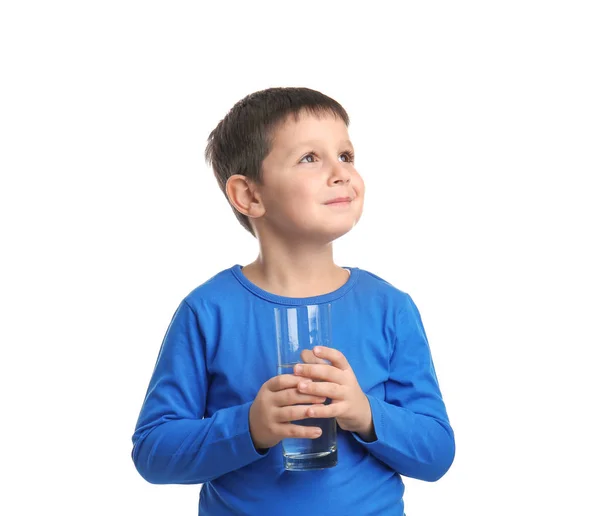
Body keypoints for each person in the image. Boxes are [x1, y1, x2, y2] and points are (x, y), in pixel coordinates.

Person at [131, 86, 455, 515]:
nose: (340, 173)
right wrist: (249, 427)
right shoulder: (207, 312)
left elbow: (436, 454)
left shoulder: (390, 308)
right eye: (309, 158)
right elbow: (153, 452)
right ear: (250, 196)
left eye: (346, 156)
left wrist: (365, 413)